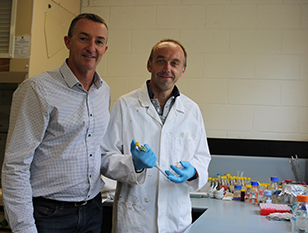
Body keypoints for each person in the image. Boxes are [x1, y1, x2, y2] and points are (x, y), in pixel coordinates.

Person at [2, 13, 110, 233]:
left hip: (92, 211)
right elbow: (15, 165)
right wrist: (23, 228)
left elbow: (95, 149)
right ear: (67, 42)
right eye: (83, 38)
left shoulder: (103, 91)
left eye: (99, 41)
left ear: (105, 49)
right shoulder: (38, 89)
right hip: (51, 215)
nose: (92, 47)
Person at [100, 39, 211, 233]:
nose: (167, 68)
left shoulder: (191, 110)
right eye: (161, 61)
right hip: (134, 219)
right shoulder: (125, 105)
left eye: (175, 63)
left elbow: (202, 158)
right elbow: (104, 157)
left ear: (182, 70)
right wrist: (133, 164)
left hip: (175, 219)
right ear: (149, 64)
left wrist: (193, 171)